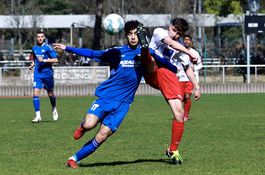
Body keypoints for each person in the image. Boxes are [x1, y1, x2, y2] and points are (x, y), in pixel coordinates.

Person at [53, 20, 179, 169]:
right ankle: (82, 127)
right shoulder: (117, 52)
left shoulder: (147, 53)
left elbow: (165, 64)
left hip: (123, 104)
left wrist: (178, 69)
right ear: (126, 35)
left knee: (101, 136)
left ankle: (73, 159)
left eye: (136, 34)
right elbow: (94, 54)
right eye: (130, 34)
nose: (133, 37)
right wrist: (67, 48)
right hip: (106, 97)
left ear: (141, 36)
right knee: (89, 124)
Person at [140, 17, 201, 164]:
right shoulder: (159, 32)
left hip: (166, 78)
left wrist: (197, 86)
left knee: (179, 115)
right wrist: (189, 51)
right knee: (152, 58)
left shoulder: (179, 49)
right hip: (153, 72)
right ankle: (144, 48)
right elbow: (169, 42)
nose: (175, 35)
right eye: (174, 30)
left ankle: (173, 150)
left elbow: (187, 68)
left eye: (178, 33)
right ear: (169, 26)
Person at [29, 31, 59, 123]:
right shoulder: (34, 48)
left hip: (47, 74)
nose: (40, 38)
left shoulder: (48, 48)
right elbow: (35, 59)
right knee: (35, 93)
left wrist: (45, 60)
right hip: (37, 74)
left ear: (44, 38)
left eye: (42, 36)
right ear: (36, 38)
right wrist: (32, 64)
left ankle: (54, 108)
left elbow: (56, 59)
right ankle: (38, 116)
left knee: (50, 94)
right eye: (38, 37)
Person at [182, 34, 203, 121]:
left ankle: (185, 115)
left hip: (190, 79)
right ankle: (180, 113)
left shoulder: (194, 53)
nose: (186, 41)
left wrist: (194, 68)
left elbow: (200, 65)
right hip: (179, 77)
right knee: (180, 97)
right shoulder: (179, 51)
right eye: (185, 39)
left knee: (187, 96)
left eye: (188, 40)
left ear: (191, 42)